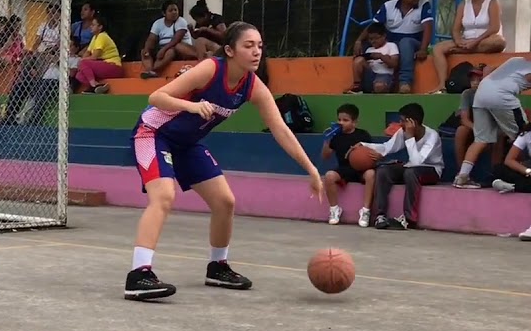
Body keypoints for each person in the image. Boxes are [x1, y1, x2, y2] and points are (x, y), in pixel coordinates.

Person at [126, 21, 323, 300]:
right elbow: (156, 96)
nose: (256, 52)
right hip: (153, 134)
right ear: (229, 50)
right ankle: (138, 275)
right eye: (248, 46)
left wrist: (311, 169)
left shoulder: (252, 85)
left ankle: (217, 267)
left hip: (187, 144)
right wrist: (191, 105)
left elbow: (280, 128)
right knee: (164, 196)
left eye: (259, 46)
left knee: (224, 201)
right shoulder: (210, 69)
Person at [358, 102, 443, 230]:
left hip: (431, 170)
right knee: (383, 171)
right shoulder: (402, 132)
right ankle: (380, 215)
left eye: (403, 121)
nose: (400, 124)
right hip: (410, 168)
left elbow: (417, 162)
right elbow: (387, 147)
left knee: (411, 172)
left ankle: (409, 219)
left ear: (412, 122)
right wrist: (363, 145)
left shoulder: (432, 136)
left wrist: (409, 137)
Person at [452, 56, 531, 189]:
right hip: (501, 95)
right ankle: (522, 172)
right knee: (523, 133)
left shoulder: (516, 60)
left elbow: (488, 68)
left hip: (482, 93)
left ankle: (462, 177)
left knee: (481, 139)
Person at [426, 0, 506, 93]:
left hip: (486, 40)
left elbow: (494, 27)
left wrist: (475, 42)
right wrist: (459, 42)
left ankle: (467, 49)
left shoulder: (492, 2)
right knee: (437, 49)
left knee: (500, 42)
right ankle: (442, 84)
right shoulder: (464, 4)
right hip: (466, 42)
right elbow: (456, 29)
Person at [320, 103, 374, 227]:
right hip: (344, 169)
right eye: (339, 119)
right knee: (329, 176)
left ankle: (365, 211)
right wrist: (327, 140)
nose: (341, 123)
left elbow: (370, 153)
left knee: (371, 174)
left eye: (345, 120)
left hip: (361, 169)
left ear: (354, 122)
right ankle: (334, 210)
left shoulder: (363, 135)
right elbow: (325, 156)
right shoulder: (335, 136)